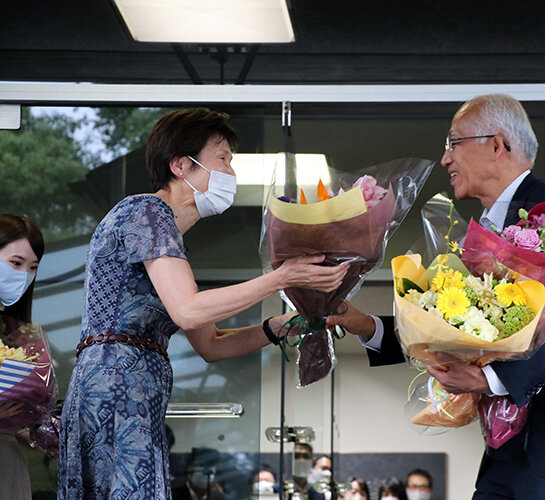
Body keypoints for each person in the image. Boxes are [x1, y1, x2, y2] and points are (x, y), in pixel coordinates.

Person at [327, 93, 545, 499]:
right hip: (514, 453)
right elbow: (462, 329)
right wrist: (367, 326)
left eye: (453, 143)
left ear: (497, 145)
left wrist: (487, 378)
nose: (445, 159)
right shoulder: (482, 233)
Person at [57, 108, 349, 499]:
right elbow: (189, 310)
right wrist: (281, 277)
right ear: (181, 165)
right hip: (116, 387)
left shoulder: (168, 240)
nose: (231, 172)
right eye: (223, 158)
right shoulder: (148, 212)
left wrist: (282, 325)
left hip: (133, 388)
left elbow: (210, 345)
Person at [0, 213, 45, 500]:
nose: (24, 276)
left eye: (32, 268)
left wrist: (38, 431)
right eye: (16, 264)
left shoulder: (19, 335)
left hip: (8, 467)